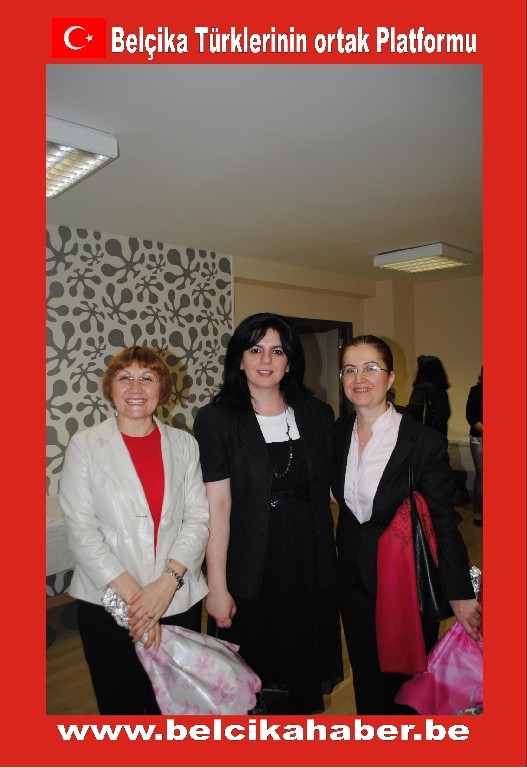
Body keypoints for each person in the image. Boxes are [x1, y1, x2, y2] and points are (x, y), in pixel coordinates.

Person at [193, 312, 343, 714]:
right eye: (255, 349)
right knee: (253, 674)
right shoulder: (217, 420)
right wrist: (217, 586)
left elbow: (333, 488)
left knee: (303, 665)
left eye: (277, 351)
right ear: (239, 360)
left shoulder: (316, 413)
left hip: (309, 556)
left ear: (289, 361)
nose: (265, 359)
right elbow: (217, 506)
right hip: (251, 562)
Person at [330, 335, 481, 715]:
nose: (359, 379)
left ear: (391, 377)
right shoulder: (336, 433)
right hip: (353, 578)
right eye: (350, 370)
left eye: (371, 368)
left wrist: (459, 592)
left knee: (405, 687)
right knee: (367, 678)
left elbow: (444, 520)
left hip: (408, 578)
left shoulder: (421, 441)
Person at [59, 346, 210, 714]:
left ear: (162, 388)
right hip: (107, 600)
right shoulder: (85, 445)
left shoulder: (184, 444)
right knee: (121, 706)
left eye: (147, 377)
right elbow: (82, 531)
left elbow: (197, 519)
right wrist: (139, 604)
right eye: (125, 377)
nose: (136, 388)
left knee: (174, 707)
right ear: (111, 388)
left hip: (176, 597)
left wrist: (165, 585)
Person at [406, 354, 451, 435]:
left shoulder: (422, 388)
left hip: (424, 434)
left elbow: (413, 410)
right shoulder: (442, 391)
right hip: (440, 435)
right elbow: (446, 414)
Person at [466, 368, 483, 526]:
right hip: (480, 439)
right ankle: (478, 511)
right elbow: (471, 416)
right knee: (483, 476)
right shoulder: (477, 391)